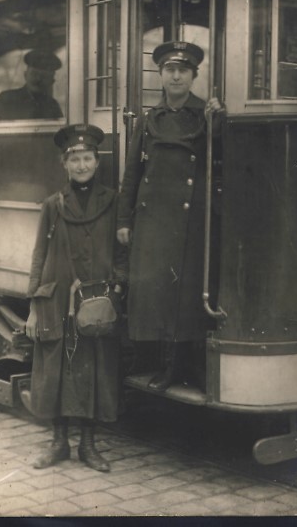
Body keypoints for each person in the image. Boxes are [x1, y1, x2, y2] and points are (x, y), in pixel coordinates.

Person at [117, 41, 225, 393]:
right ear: (161, 76)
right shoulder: (150, 120)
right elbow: (132, 173)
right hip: (152, 220)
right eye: (169, 70)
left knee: (185, 292)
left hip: (189, 220)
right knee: (153, 291)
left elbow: (219, 161)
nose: (176, 76)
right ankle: (155, 361)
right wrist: (124, 219)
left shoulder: (206, 115)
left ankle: (179, 366)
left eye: (183, 70)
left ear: (193, 77)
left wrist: (217, 122)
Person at [25, 124, 127, 472]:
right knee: (55, 369)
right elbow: (39, 255)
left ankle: (88, 445)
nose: (81, 165)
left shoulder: (112, 201)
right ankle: (58, 444)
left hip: (96, 302)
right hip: (56, 301)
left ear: (97, 162)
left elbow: (122, 250)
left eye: (87, 158)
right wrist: (33, 307)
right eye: (75, 160)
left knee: (95, 368)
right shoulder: (53, 206)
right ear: (64, 164)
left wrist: (117, 288)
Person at [0, 49, 63, 120]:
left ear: (51, 81)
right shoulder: (7, 99)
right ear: (25, 75)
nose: (38, 79)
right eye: (34, 74)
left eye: (44, 76)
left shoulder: (52, 106)